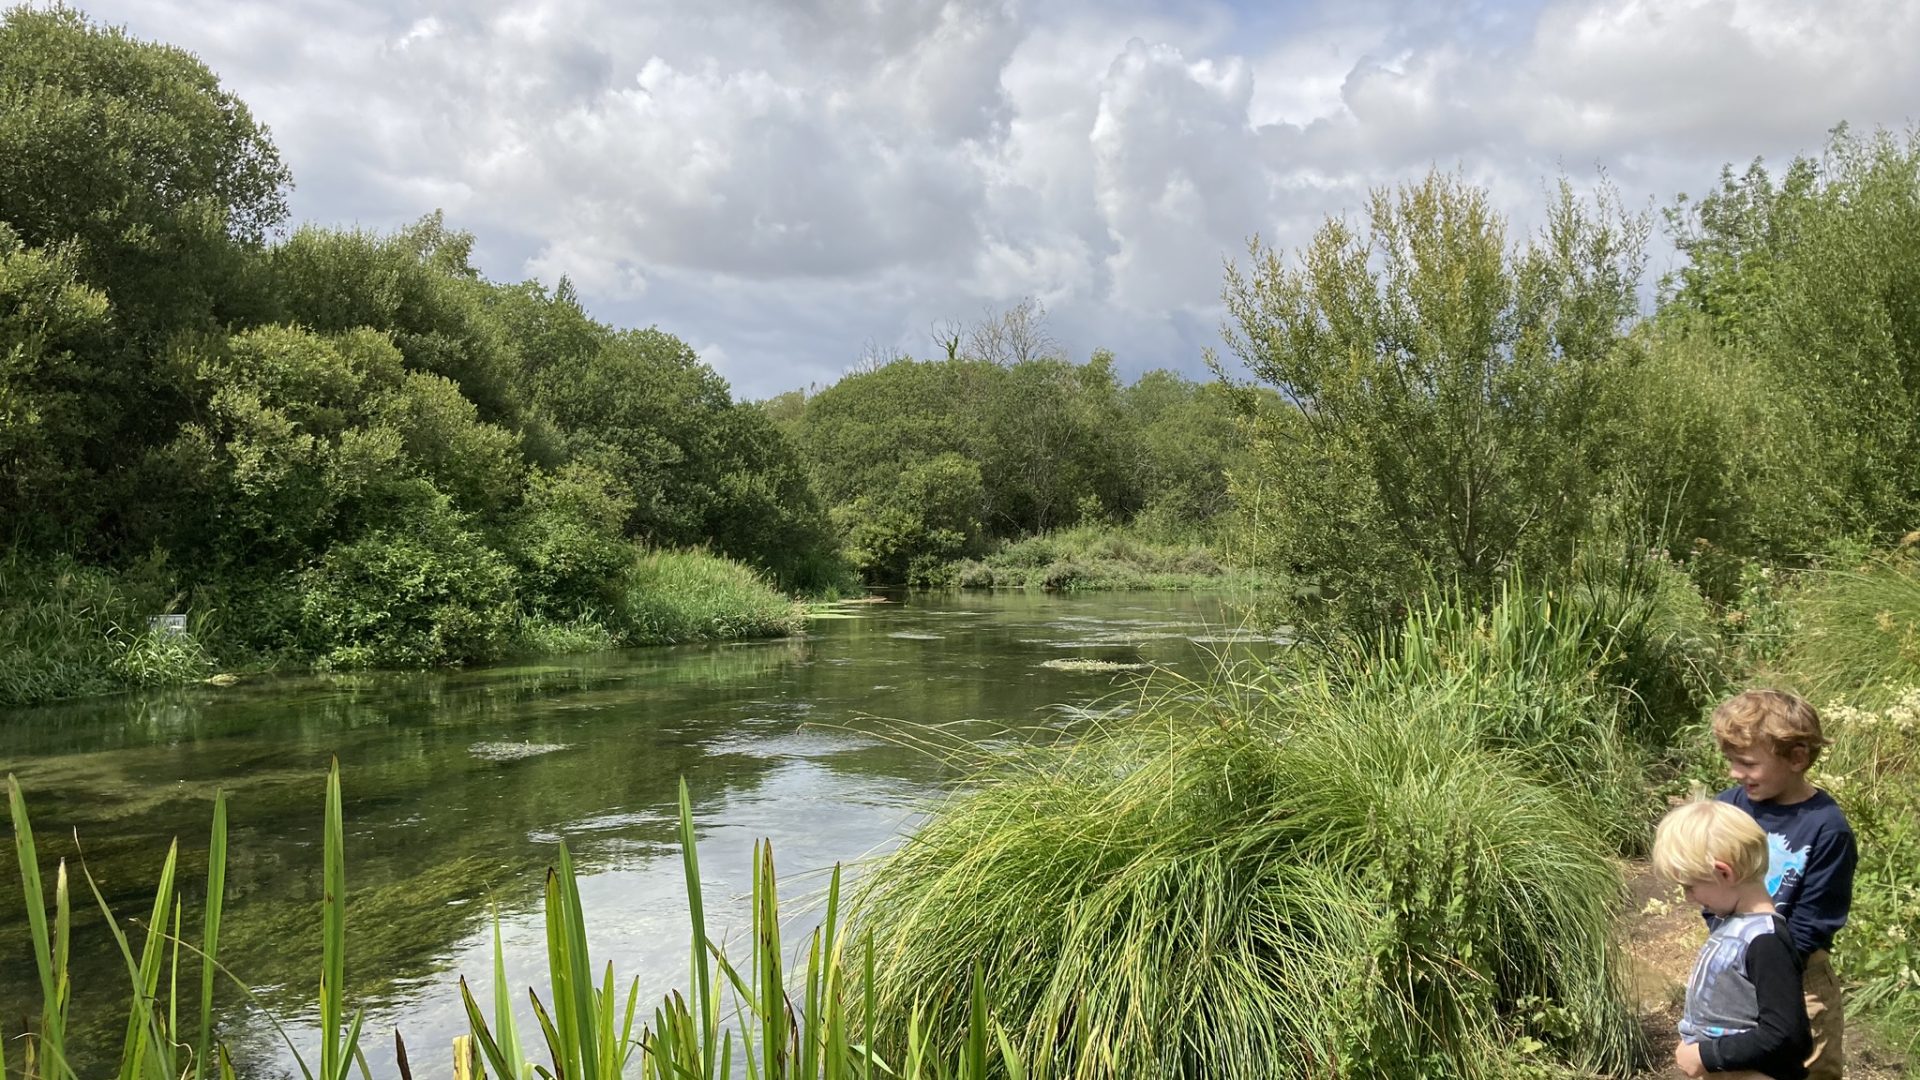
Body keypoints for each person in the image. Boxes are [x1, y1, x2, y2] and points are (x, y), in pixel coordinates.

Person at [1712, 690, 1857, 1079]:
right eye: (1731, 761)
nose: (1735, 773)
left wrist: (1769, 967)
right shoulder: (1729, 808)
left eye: (1746, 763)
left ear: (1797, 758)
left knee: (1808, 1067)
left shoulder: (1827, 828)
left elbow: (1815, 922)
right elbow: (1707, 882)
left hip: (1802, 978)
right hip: (1734, 966)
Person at [1655, 798, 1811, 1079]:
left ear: (1724, 872)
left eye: (1690, 887)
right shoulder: (1732, 925)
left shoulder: (1766, 941)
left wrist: (1707, 1054)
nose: (1689, 898)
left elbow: (1788, 1036)